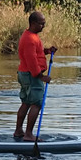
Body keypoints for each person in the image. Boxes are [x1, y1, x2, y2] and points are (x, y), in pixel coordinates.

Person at [15, 10, 57, 141]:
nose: (43, 26)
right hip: (31, 75)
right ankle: (28, 134)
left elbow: (36, 53)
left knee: (26, 102)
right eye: (41, 23)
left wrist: (47, 51)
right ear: (33, 23)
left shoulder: (30, 36)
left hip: (26, 73)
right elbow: (31, 60)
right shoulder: (30, 39)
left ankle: (19, 131)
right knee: (37, 103)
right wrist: (40, 76)